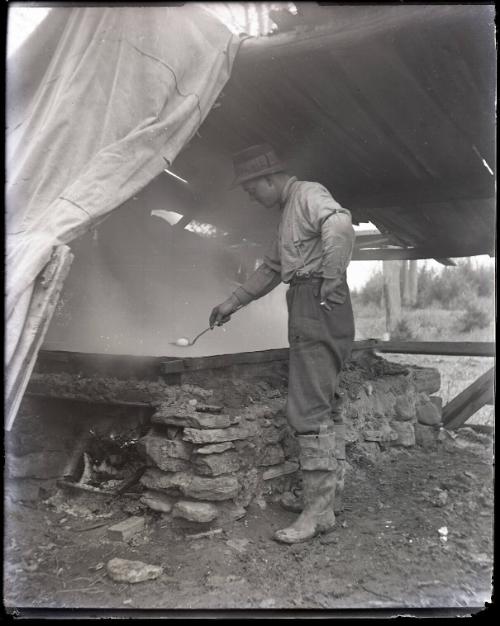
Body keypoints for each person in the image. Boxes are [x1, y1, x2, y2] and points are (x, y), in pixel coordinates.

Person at [209, 144, 355, 543]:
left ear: (270, 179)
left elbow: (340, 226)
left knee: (307, 410)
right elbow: (273, 268)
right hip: (308, 300)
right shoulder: (289, 212)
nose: (249, 195)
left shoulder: (307, 194)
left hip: (316, 300)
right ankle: (321, 501)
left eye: (251, 187)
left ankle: (317, 513)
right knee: (316, 406)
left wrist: (330, 278)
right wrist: (232, 303)